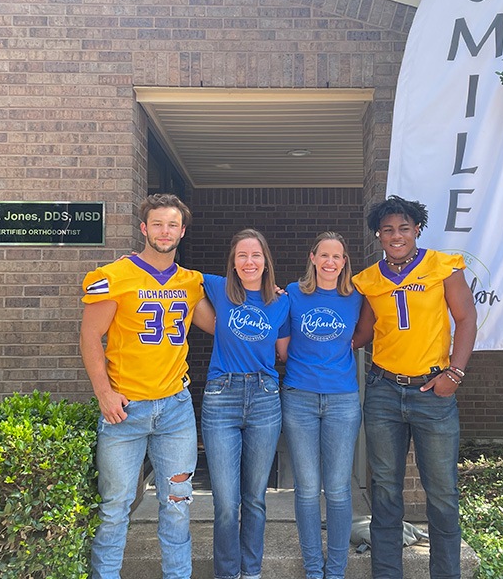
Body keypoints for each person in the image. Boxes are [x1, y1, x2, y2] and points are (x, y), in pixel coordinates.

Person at [80, 193, 213, 579]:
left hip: (174, 407)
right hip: (127, 408)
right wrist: (104, 393)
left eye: (172, 225)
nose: (165, 231)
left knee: (177, 503)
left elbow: (221, 327)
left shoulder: (190, 282)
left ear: (182, 231)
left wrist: (269, 302)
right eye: (157, 224)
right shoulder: (115, 276)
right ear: (144, 228)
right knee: (116, 504)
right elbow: (90, 338)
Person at [352, 195, 478, 579]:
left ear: (417, 229)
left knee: (441, 494)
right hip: (384, 392)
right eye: (388, 229)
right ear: (378, 234)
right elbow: (361, 334)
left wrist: (454, 374)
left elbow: (467, 318)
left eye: (404, 228)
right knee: (386, 491)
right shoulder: (370, 279)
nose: (396, 235)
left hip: (432, 393)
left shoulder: (443, 266)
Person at [200, 228, 291, 579]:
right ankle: (227, 573)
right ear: (233, 262)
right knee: (226, 501)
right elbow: (171, 276)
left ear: (266, 261)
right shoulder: (217, 286)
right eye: (242, 255)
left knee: (254, 497)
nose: (249, 261)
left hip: (265, 398)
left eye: (256, 255)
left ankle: (250, 571)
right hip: (222, 397)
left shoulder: (281, 301)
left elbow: (283, 352)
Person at [276, 232, 363, 579]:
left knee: (339, 489)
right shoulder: (293, 294)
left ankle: (336, 570)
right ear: (312, 257)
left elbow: (365, 333)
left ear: (344, 262)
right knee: (308, 488)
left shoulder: (357, 296)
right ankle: (314, 568)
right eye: (324, 255)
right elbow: (281, 346)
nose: (330, 262)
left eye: (337, 257)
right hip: (299, 398)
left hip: (343, 399)